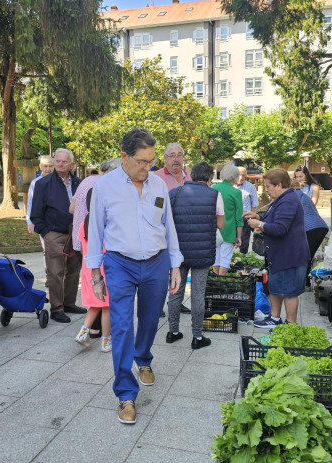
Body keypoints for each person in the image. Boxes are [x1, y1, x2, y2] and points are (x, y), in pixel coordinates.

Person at [86, 128, 182, 425]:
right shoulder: (105, 186)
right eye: (142, 162)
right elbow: (95, 230)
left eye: (152, 161)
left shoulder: (157, 185)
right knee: (123, 326)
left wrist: (174, 264)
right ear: (124, 157)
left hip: (156, 262)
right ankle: (126, 394)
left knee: (151, 318)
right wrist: (95, 273)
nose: (148, 168)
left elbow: (168, 225)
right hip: (119, 264)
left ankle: (143, 358)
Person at [166, 161, 225, 350]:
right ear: (209, 179)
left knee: (175, 291)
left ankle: (172, 332)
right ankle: (197, 337)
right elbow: (221, 225)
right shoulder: (215, 195)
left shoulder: (174, 193)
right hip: (202, 252)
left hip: (178, 253)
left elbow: (166, 221)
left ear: (191, 176)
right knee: (198, 294)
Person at [245, 169, 309, 326]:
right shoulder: (282, 198)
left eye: (268, 186)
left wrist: (258, 224)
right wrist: (258, 217)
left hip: (290, 255)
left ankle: (290, 324)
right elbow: (275, 220)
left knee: (289, 292)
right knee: (276, 287)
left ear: (279, 185)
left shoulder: (288, 201)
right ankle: (274, 318)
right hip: (281, 254)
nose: (266, 190)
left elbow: (280, 228)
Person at [30, 148, 85, 324]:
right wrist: (45, 233)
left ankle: (69, 303)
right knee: (55, 272)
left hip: (76, 233)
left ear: (72, 164)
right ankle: (57, 308)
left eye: (64, 161)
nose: (60, 164)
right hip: (54, 233)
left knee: (74, 270)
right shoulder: (43, 184)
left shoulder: (79, 183)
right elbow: (36, 213)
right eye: (58, 161)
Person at [71, 158, 121, 352]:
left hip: (88, 268)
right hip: (104, 269)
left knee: (95, 304)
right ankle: (106, 340)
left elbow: (82, 244)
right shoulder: (105, 223)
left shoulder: (86, 221)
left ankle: (83, 332)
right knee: (106, 305)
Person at [294, 187, 329, 289]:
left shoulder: (293, 196)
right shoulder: (303, 195)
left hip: (312, 228)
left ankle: (305, 284)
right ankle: (305, 282)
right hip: (320, 227)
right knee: (306, 255)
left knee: (305, 255)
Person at [26, 155, 53, 284]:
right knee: (47, 250)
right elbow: (30, 203)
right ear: (40, 166)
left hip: (58, 222)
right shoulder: (35, 183)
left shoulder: (59, 181)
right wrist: (30, 222)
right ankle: (49, 276)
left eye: (50, 166)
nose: (48, 169)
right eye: (45, 166)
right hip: (43, 223)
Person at [212, 165, 243, 275]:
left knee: (215, 257)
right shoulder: (236, 192)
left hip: (214, 229)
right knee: (225, 259)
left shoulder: (213, 188)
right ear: (235, 177)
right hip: (229, 230)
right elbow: (238, 217)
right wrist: (239, 236)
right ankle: (221, 281)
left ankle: (216, 282)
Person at [235, 167, 259, 254]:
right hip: (231, 218)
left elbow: (254, 205)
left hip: (245, 218)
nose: (241, 178)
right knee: (229, 244)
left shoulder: (251, 187)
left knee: (244, 244)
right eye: (239, 175)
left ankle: (242, 263)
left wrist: (251, 218)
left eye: (243, 175)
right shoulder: (230, 186)